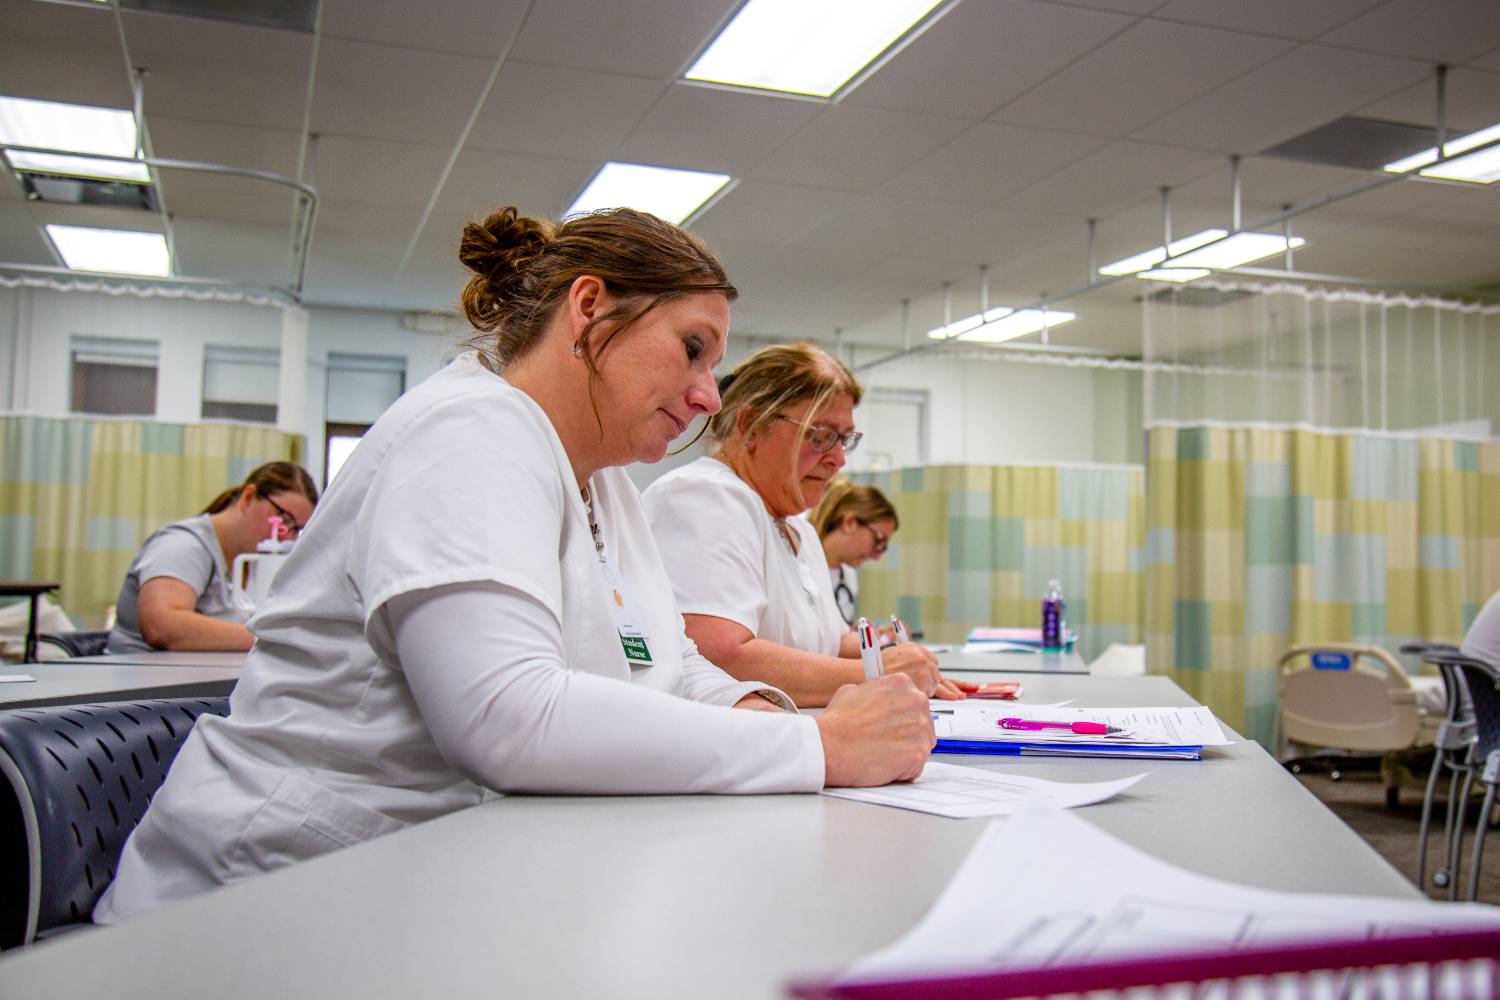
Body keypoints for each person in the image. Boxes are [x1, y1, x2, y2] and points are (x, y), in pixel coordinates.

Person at [94, 207, 933, 924]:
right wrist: (819, 747)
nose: (710, 394)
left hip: (427, 881)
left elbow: (673, 664)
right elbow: (505, 716)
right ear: (590, 309)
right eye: (692, 349)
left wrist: (772, 717)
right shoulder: (469, 430)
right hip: (261, 903)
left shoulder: (605, 490)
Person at [641, 343, 960, 708]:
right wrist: (876, 673)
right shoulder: (703, 497)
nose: (838, 459)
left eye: (845, 439)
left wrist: (900, 659)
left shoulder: (799, 529)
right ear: (751, 426)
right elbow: (717, 655)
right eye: (821, 435)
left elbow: (828, 642)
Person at [105, 462, 318, 654]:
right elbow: (161, 625)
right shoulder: (184, 545)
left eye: (297, 529)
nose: (286, 536)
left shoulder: (251, 564)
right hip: (142, 687)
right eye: (284, 520)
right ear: (248, 497)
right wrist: (272, 638)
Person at [807, 478, 898, 628]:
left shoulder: (848, 576)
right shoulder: (797, 562)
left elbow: (836, 632)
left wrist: (871, 637)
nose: (877, 556)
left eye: (882, 547)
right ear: (849, 523)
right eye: (878, 540)